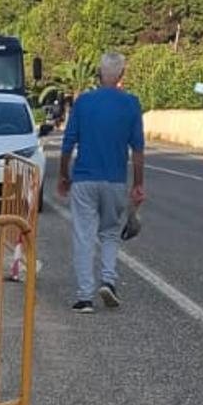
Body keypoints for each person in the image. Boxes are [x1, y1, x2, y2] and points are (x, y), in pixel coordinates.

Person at [57, 51, 145, 310]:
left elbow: (68, 142)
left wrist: (64, 175)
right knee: (110, 233)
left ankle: (85, 297)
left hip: (84, 179)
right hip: (115, 181)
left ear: (99, 73)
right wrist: (138, 183)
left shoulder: (83, 102)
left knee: (84, 236)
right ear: (121, 75)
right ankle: (108, 280)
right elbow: (138, 149)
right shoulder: (131, 104)